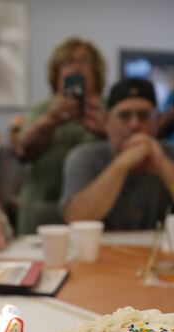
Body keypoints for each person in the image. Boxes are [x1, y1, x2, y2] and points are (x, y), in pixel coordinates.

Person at [60, 78, 174, 230]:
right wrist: (121, 165)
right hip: (100, 250)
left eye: (143, 116)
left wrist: (164, 166)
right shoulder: (84, 157)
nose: (134, 124)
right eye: (124, 116)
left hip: (159, 250)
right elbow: (75, 218)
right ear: (106, 121)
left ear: (157, 121)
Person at [15, 37, 108, 234]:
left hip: (93, 210)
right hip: (41, 207)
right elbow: (22, 148)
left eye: (84, 61)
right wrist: (51, 119)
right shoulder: (43, 109)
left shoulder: (109, 110)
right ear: (56, 74)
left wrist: (106, 129)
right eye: (67, 62)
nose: (76, 68)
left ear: (96, 71)